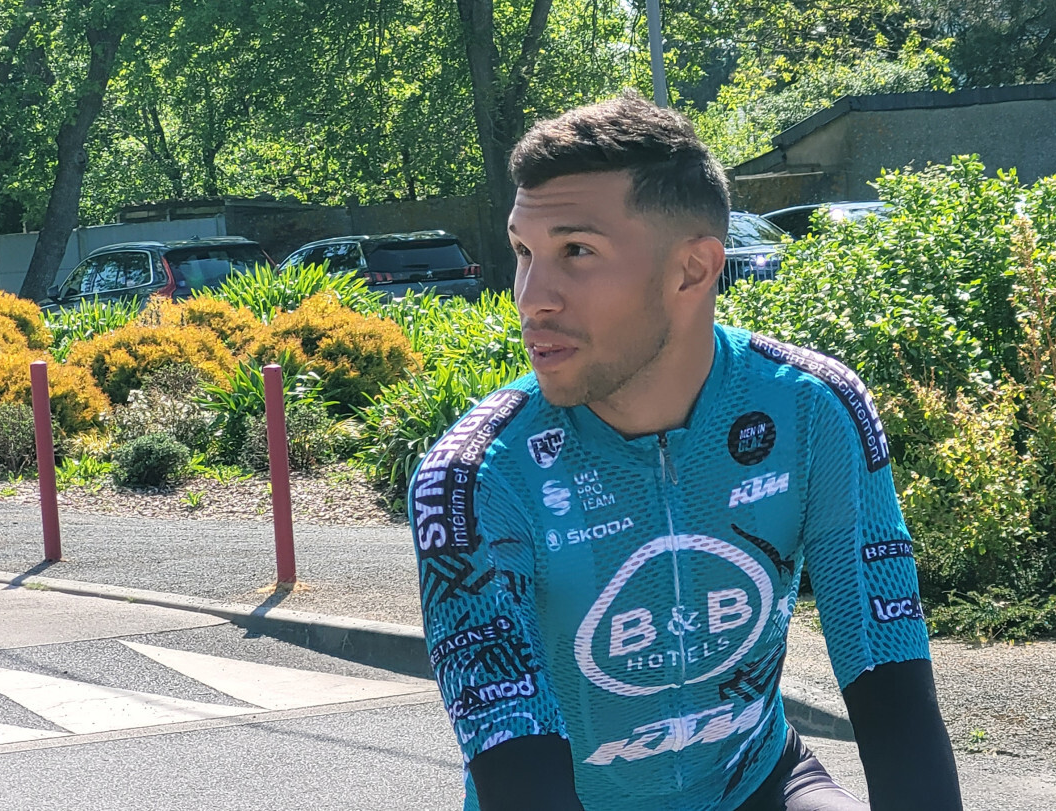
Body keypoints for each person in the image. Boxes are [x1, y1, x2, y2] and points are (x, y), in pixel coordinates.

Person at [410, 92, 964, 811]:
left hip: (755, 780)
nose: (531, 296)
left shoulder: (811, 408)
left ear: (693, 270)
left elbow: (892, 687)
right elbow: (516, 769)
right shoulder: (473, 478)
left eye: (576, 251)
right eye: (524, 252)